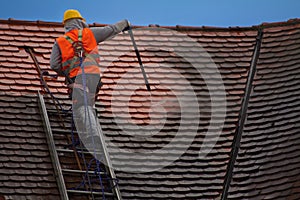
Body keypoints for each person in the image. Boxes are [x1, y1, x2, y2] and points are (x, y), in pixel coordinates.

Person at [50, 9, 130, 159]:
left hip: (76, 79)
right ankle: (91, 128)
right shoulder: (89, 33)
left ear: (66, 25)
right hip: (93, 76)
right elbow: (111, 30)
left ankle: (93, 136)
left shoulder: (60, 41)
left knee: (82, 105)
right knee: (89, 102)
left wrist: (66, 73)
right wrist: (124, 23)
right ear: (80, 21)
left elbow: (54, 65)